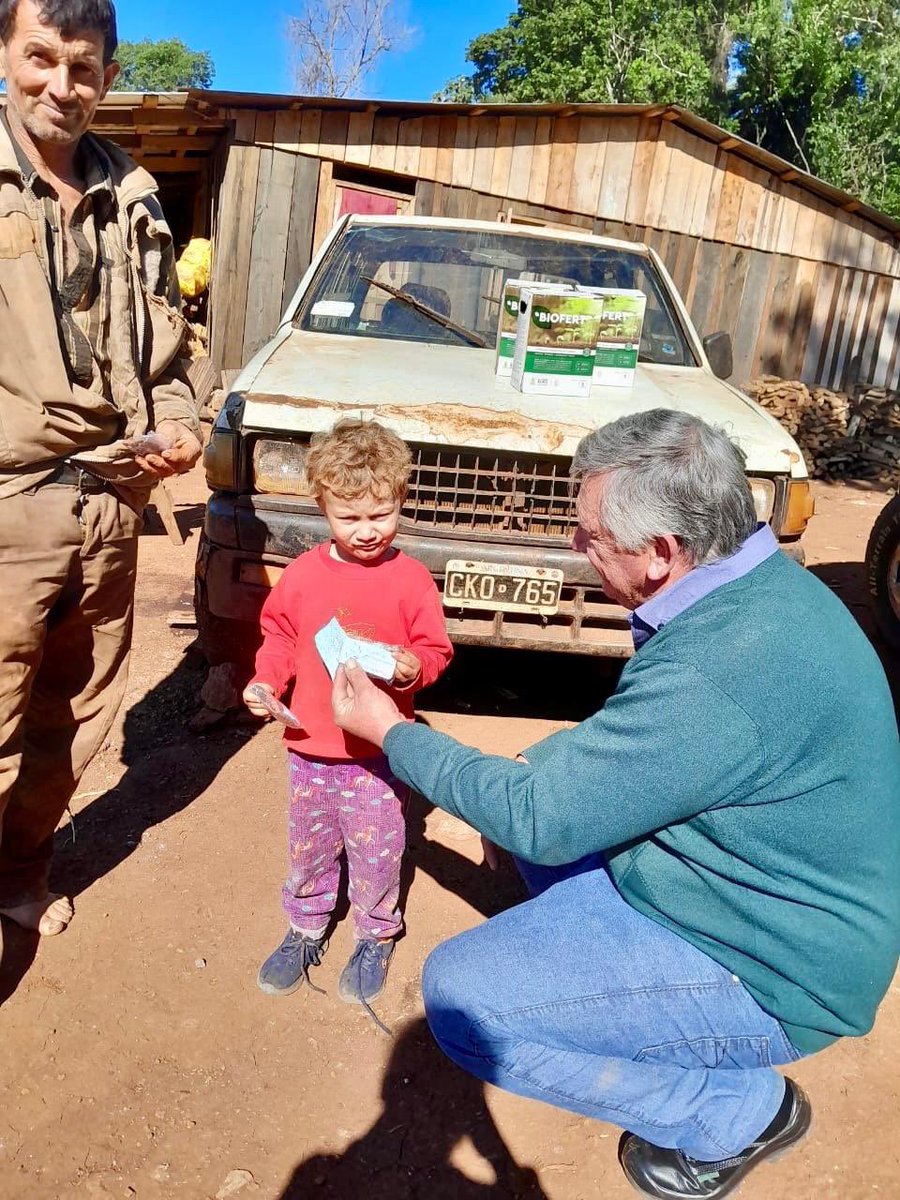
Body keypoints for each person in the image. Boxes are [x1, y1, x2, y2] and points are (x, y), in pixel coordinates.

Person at [331, 408, 900, 1199]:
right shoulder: (746, 592)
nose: (576, 547)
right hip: (766, 901)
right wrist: (533, 775)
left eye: (589, 535)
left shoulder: (721, 667)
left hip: (777, 969)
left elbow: (541, 813)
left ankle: (735, 1111)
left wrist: (393, 733)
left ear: (663, 552)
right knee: (533, 808)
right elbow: (637, 744)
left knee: (463, 1000)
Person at [0, 0, 201, 941]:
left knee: (72, 715)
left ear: (108, 76)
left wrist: (181, 424)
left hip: (111, 504)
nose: (60, 86)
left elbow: (168, 344)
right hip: (4, 505)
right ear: (6, 53)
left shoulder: (135, 194)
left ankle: (19, 874)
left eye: (83, 67)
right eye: (40, 57)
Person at [243, 419, 453, 1022]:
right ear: (322, 507)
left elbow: (434, 651)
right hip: (309, 746)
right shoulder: (305, 576)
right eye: (350, 517)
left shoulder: (411, 581)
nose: (366, 532)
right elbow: (279, 634)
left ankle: (375, 934)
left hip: (378, 753)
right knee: (308, 846)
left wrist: (414, 668)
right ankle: (306, 927)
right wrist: (265, 681)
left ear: (401, 504)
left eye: (380, 515)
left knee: (378, 849)